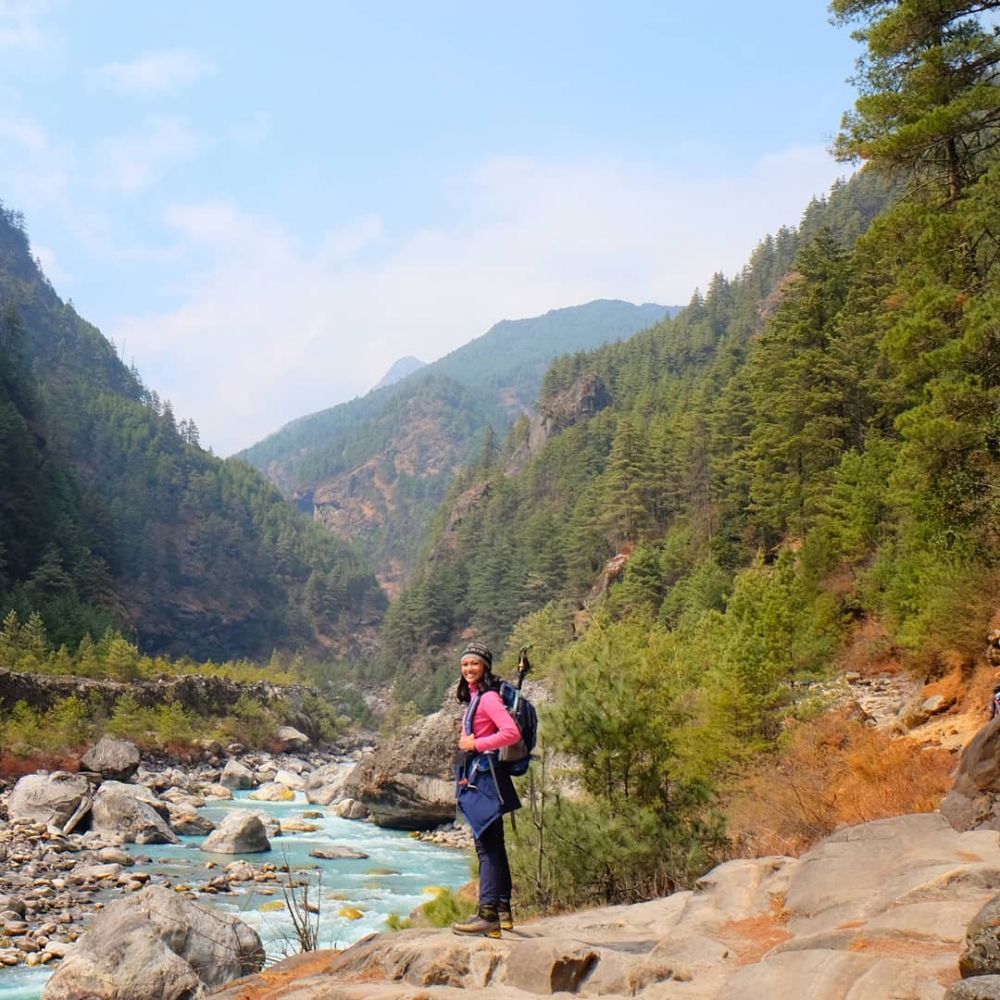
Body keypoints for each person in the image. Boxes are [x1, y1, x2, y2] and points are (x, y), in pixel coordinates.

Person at [451, 641, 521, 938]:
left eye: (474, 664)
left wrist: (476, 744)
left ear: (485, 668)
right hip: (487, 777)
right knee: (495, 845)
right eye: (465, 664)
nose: (469, 669)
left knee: (487, 847)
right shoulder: (476, 698)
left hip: (486, 780)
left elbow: (511, 732)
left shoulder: (489, 698)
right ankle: (503, 912)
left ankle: (487, 913)